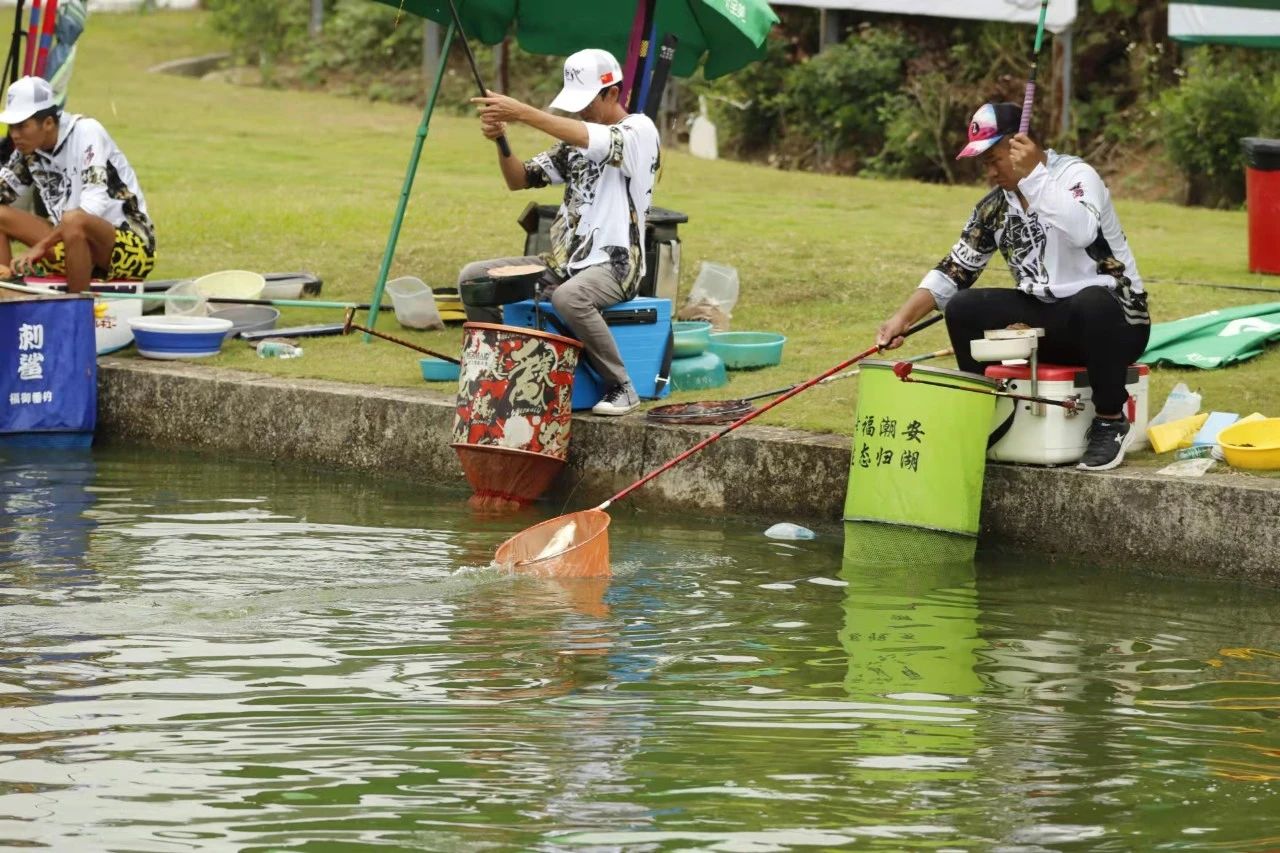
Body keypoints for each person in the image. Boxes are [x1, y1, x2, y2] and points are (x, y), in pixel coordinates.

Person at [877, 102, 1150, 471]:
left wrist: (1033, 175)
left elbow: (1083, 230)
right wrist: (901, 319)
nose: (989, 172)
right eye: (983, 164)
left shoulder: (1076, 176)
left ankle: (1109, 420)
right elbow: (955, 269)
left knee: (1092, 301)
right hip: (1046, 324)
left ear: (1018, 145)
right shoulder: (993, 207)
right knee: (963, 308)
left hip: (1117, 322)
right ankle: (977, 415)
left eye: (994, 160)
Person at [460, 49, 661, 417]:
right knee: (474, 278)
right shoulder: (574, 143)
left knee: (570, 298)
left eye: (586, 102)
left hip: (617, 265)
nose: (580, 111)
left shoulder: (639, 132)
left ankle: (622, 385)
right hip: (565, 262)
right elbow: (519, 178)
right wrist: (501, 140)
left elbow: (593, 138)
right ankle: (496, 365)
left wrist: (521, 111)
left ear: (612, 93)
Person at [0, 75, 155, 293]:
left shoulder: (86, 131)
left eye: (22, 126)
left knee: (74, 219)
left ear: (48, 123)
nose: (14, 135)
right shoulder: (28, 149)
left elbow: (91, 208)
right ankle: (4, 294)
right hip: (71, 243)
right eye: (11, 127)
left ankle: (74, 309)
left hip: (128, 248)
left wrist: (40, 247)